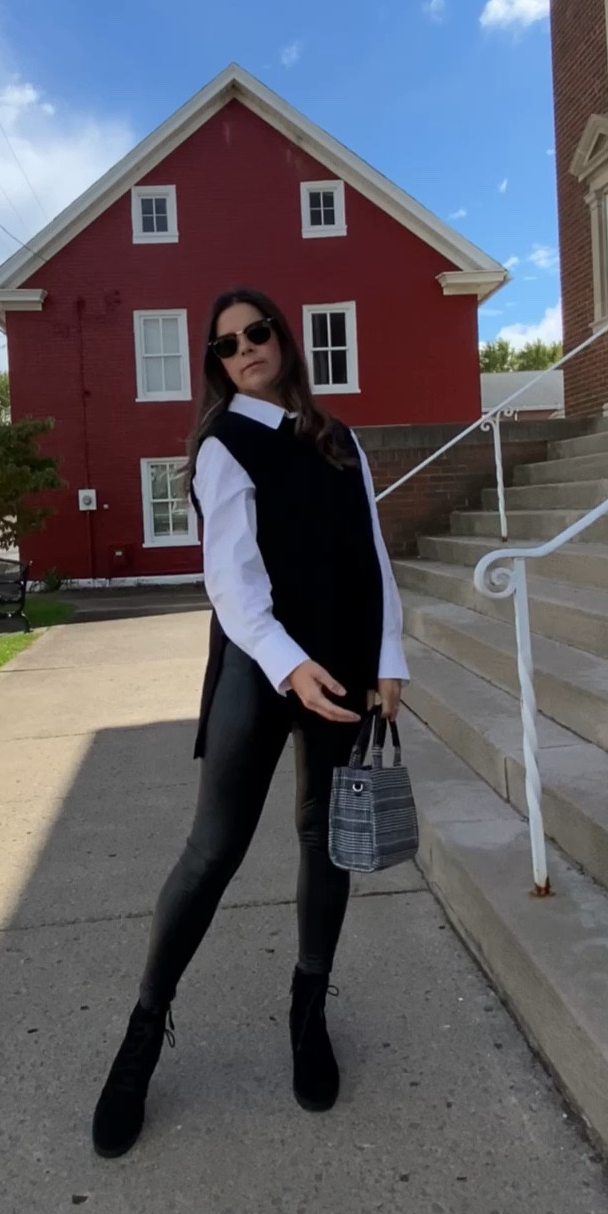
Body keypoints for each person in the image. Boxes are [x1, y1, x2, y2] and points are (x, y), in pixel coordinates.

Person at [91, 288, 408, 1158]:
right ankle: (144, 1033)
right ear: (217, 363)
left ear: (282, 338)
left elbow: (372, 553)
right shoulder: (222, 446)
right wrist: (289, 666)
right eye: (227, 344)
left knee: (326, 839)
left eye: (257, 332)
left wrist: (389, 660)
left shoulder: (338, 440)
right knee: (212, 851)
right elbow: (230, 585)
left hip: (342, 667)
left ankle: (309, 1012)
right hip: (258, 669)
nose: (245, 350)